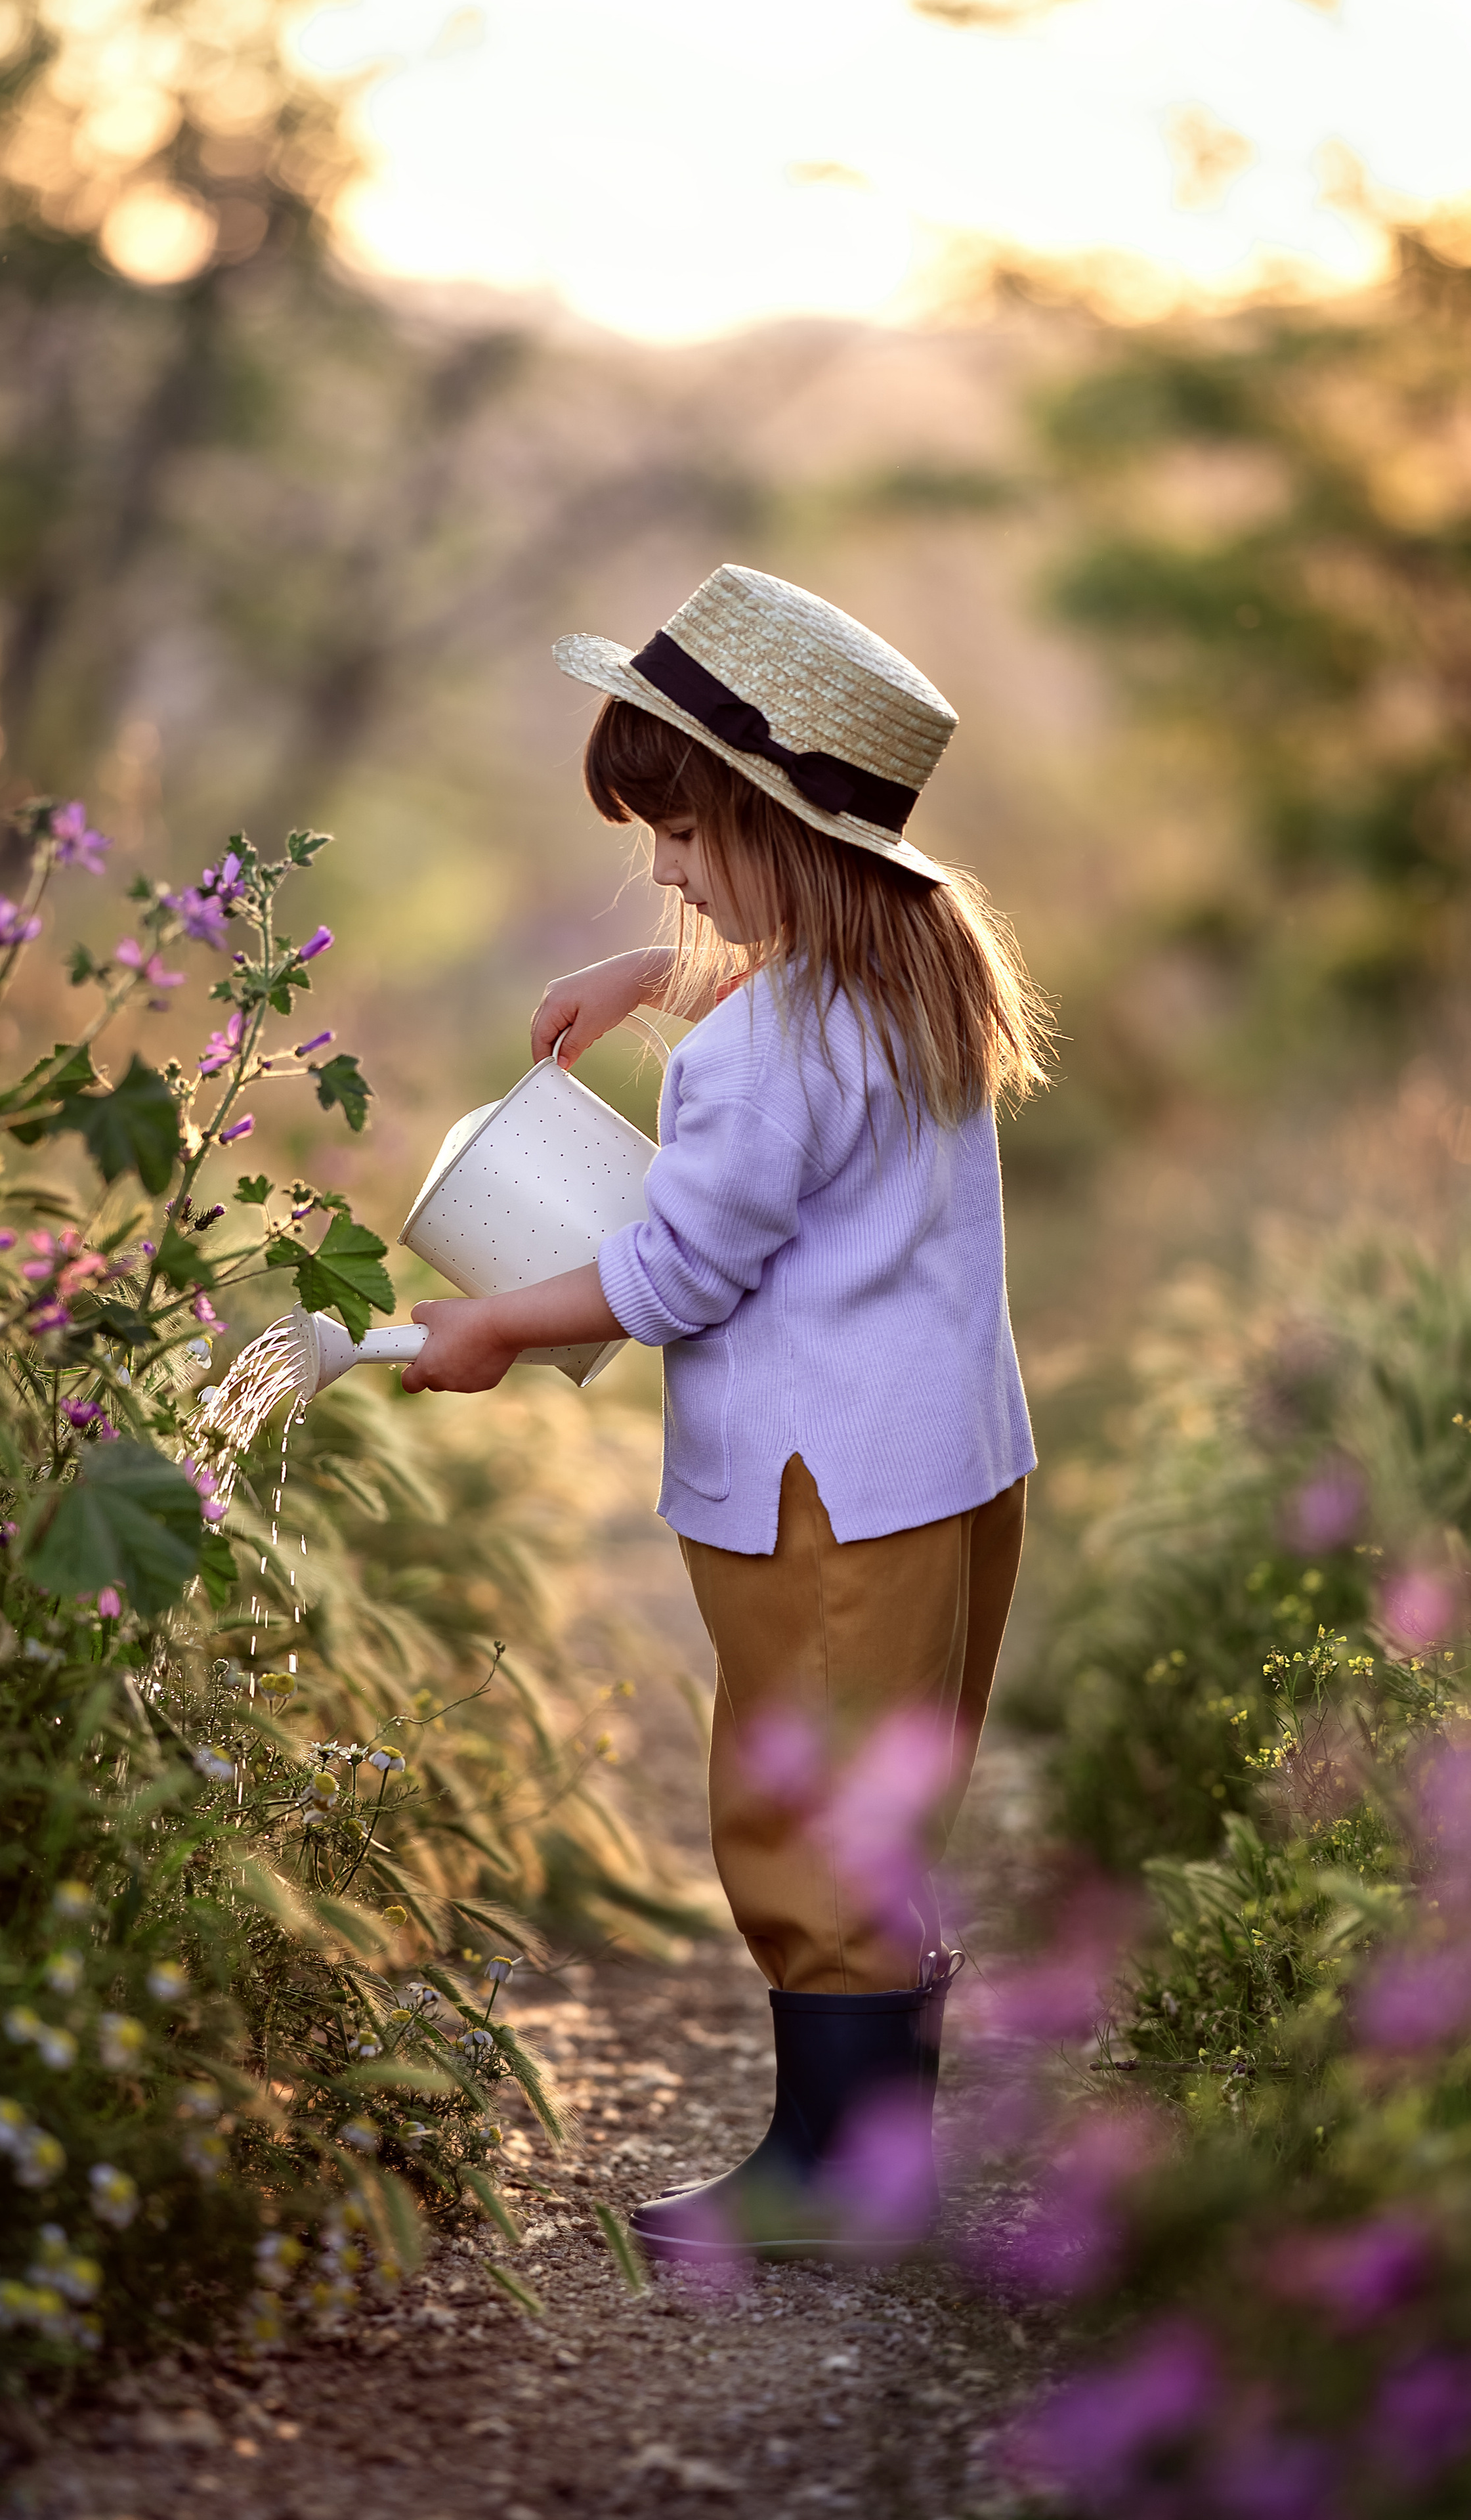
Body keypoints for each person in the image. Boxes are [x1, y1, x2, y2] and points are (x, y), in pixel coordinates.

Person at [400, 563, 1052, 2262]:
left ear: (781, 830)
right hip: (951, 1470)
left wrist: (493, 1322)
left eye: (686, 837)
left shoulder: (759, 1053)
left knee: (801, 1815)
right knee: (886, 1808)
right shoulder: (920, 965)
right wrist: (653, 972)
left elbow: (674, 1273)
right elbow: (796, 1005)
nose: (670, 872)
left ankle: (827, 2187)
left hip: (818, 1493)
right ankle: (873, 2164)